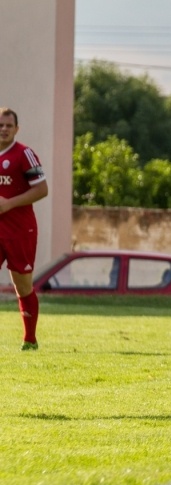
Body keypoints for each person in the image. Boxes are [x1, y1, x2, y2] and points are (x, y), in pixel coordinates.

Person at [0, 108, 49, 350]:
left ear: (16, 129)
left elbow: (42, 189)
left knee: (22, 286)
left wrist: (8, 204)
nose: (4, 129)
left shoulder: (24, 154)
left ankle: (30, 339)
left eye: (9, 125)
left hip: (21, 230)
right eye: (1, 125)